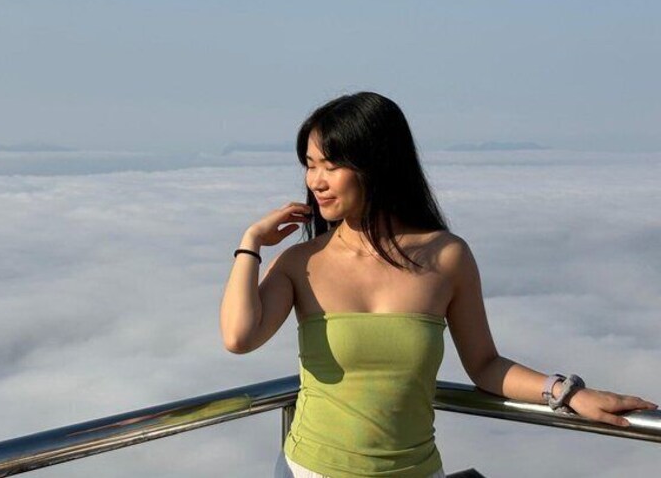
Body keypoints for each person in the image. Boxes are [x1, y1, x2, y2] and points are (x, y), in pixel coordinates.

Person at [219, 91, 657, 478]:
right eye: (310, 164)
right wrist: (250, 242)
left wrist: (568, 393)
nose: (316, 181)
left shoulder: (447, 257)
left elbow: (485, 364)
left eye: (331, 165)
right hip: (310, 470)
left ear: (377, 165)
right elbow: (239, 337)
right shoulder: (302, 263)